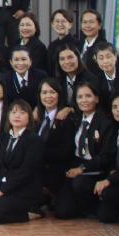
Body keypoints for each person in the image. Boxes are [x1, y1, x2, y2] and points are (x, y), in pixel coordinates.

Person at [0, 99, 43, 224]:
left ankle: (31, 213)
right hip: (3, 187)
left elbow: (25, 172)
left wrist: (1, 191)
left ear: (29, 117)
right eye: (13, 112)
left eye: (22, 112)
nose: (17, 116)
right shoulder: (4, 137)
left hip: (23, 191)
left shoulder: (34, 140)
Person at [53, 83, 114, 220]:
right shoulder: (75, 118)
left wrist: (82, 169)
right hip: (75, 165)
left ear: (96, 98)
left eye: (88, 96)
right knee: (62, 212)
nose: (83, 100)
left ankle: (92, 207)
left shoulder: (105, 122)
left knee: (79, 183)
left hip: (95, 169)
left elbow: (105, 156)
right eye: (79, 97)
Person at [92, 94, 119, 224]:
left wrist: (109, 180)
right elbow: (108, 155)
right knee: (104, 216)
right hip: (116, 176)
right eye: (115, 107)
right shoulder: (114, 129)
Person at [36, 76, 77, 206]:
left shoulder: (66, 117)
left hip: (59, 171)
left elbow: (67, 152)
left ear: (59, 94)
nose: (48, 96)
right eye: (44, 92)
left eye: (52, 92)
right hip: (38, 170)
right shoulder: (36, 117)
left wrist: (39, 153)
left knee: (63, 211)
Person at [55, 43, 89, 108]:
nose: (67, 62)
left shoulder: (89, 79)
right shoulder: (58, 80)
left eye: (70, 57)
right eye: (62, 59)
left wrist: (71, 109)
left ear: (78, 57)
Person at [46, 9, 79, 75]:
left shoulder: (76, 43)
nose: (60, 24)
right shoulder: (52, 45)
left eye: (63, 21)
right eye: (57, 21)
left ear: (70, 24)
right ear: (52, 24)